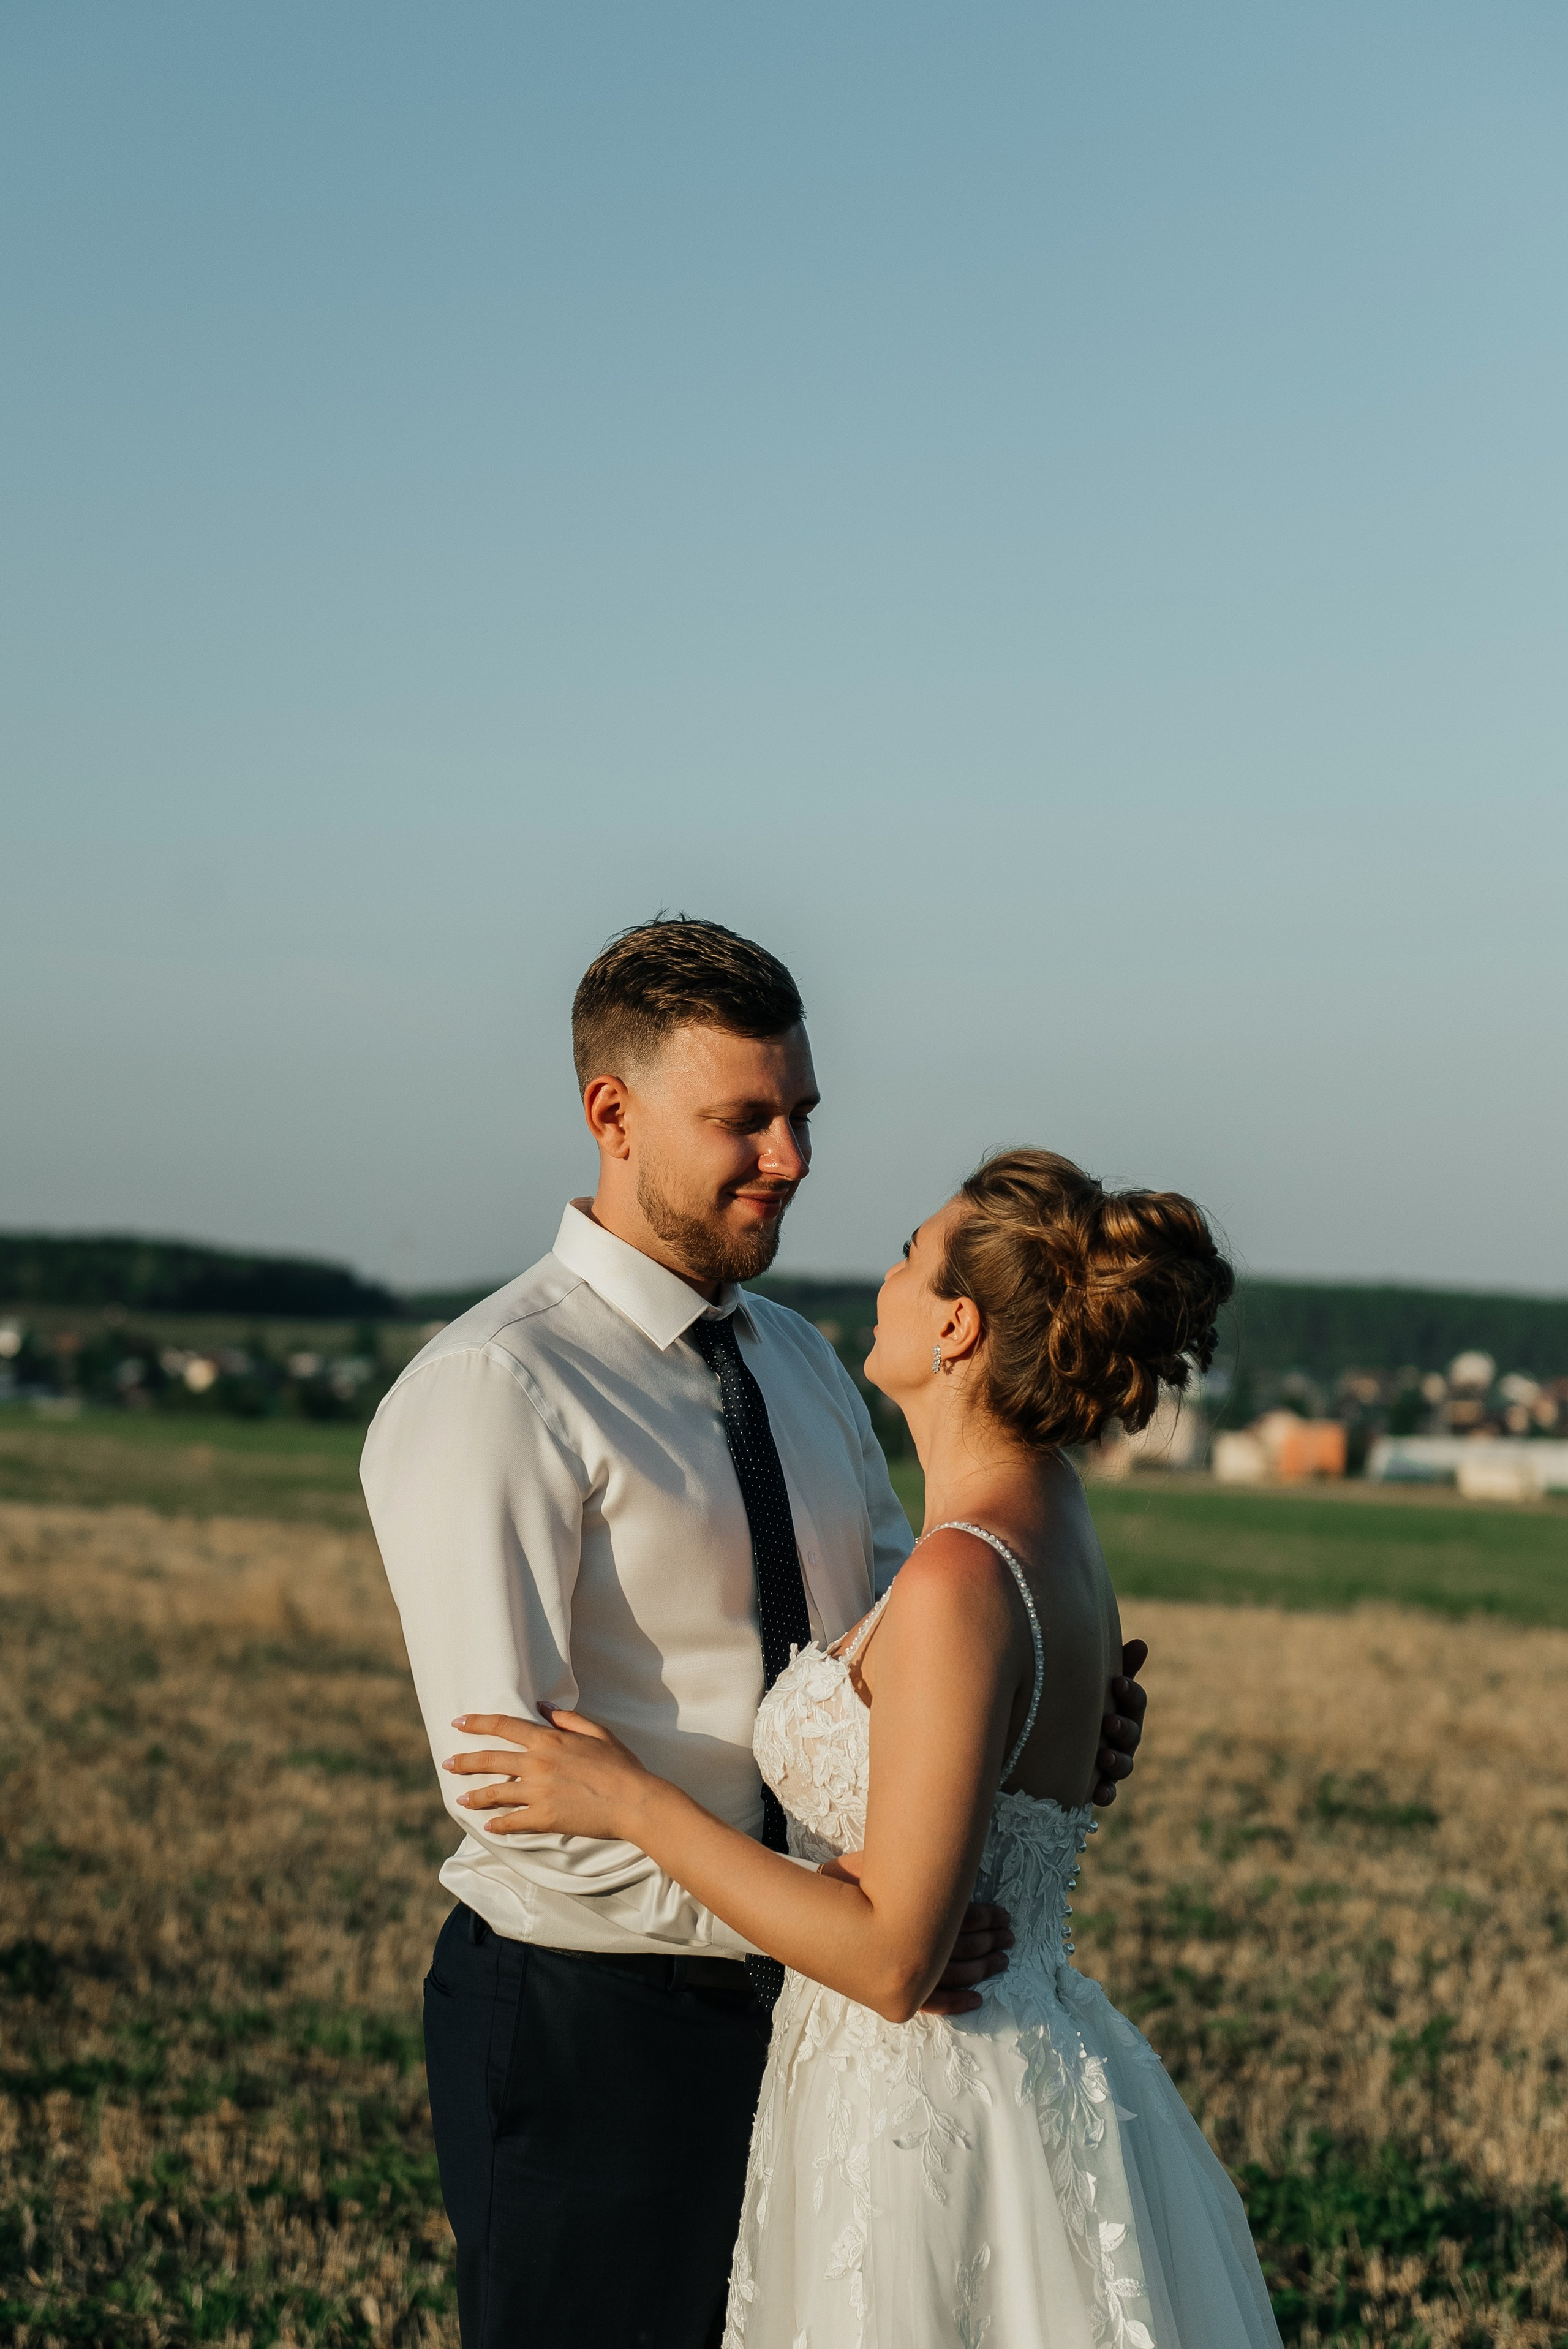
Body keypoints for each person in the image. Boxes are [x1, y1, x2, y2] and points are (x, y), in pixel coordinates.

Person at [361, 918, 1148, 2349]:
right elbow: (512, 1790)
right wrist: (841, 1922)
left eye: (801, 1112)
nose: (790, 1156)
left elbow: (905, 1647)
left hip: (837, 2025)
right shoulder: (497, 1389)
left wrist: (1033, 1719)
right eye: (745, 1119)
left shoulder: (799, 1362)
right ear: (612, 1114)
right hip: (604, 2029)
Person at [447, 1148, 1283, 2348]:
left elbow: (894, 1958)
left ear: (954, 1326)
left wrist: (630, 1800)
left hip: (923, 2100)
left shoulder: (958, 1577)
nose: (883, 1279)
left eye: (906, 1256)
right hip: (1007, 2054)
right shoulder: (1053, 1520)